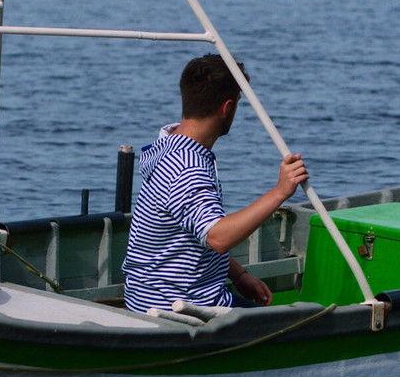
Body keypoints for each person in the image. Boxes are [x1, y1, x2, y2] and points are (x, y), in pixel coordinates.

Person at [122, 54, 308, 312]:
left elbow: (190, 233)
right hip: (178, 309)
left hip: (146, 298)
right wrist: (279, 193)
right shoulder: (187, 167)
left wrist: (238, 275)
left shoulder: (167, 142)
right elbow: (217, 236)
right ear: (227, 108)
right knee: (290, 329)